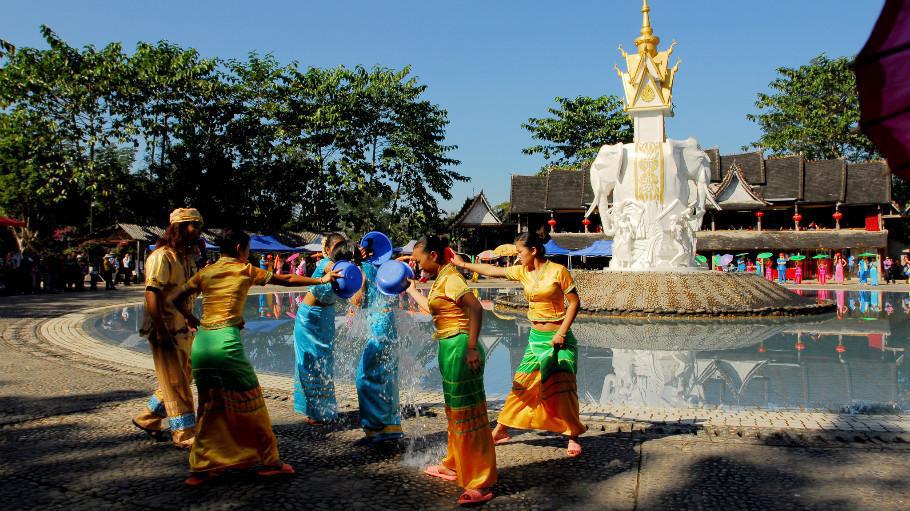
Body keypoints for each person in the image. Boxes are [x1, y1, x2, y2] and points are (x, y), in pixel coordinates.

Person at [169, 228, 341, 486]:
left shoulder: (206, 272)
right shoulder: (244, 269)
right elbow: (285, 279)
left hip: (202, 344)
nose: (249, 253)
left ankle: (200, 468)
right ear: (240, 249)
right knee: (255, 405)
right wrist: (321, 280)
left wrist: (194, 320)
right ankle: (271, 462)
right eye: (248, 249)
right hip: (226, 346)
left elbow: (176, 299)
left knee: (207, 407)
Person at [452, 231, 586, 457]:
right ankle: (501, 430)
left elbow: (574, 303)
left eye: (519, 252)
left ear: (533, 250)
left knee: (564, 387)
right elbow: (493, 271)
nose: (517, 257)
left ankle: (572, 436)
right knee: (521, 385)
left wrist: (562, 332)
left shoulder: (558, 271)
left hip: (559, 339)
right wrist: (463, 264)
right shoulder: (523, 271)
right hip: (536, 339)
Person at [405, 235, 496, 506]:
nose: (416, 264)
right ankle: (454, 464)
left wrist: (471, 347)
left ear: (433, 256)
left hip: (460, 346)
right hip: (449, 347)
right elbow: (434, 310)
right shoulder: (441, 279)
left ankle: (480, 481)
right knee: (455, 412)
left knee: (469, 413)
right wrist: (411, 290)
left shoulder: (452, 278)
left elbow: (476, 308)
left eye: (418, 259)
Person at [131, 208, 204, 449]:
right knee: (177, 383)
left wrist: (190, 318)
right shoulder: (161, 257)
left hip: (181, 327)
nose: (198, 232)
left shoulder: (184, 258)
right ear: (179, 228)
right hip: (165, 328)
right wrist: (161, 330)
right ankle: (184, 433)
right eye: (194, 226)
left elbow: (181, 296)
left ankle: (148, 418)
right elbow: (152, 293)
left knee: (183, 376)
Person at [293, 233, 356, 424]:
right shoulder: (326, 264)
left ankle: (325, 409)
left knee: (325, 362)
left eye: (342, 246)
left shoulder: (346, 267)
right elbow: (332, 268)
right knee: (310, 362)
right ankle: (313, 412)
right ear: (328, 250)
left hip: (326, 318)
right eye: (336, 247)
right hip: (309, 319)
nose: (339, 250)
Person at [355, 245, 403, 444]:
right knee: (386, 375)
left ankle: (376, 430)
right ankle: (390, 428)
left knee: (364, 377)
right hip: (388, 322)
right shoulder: (385, 267)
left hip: (379, 325)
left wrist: (355, 275)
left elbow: (357, 301)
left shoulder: (363, 269)